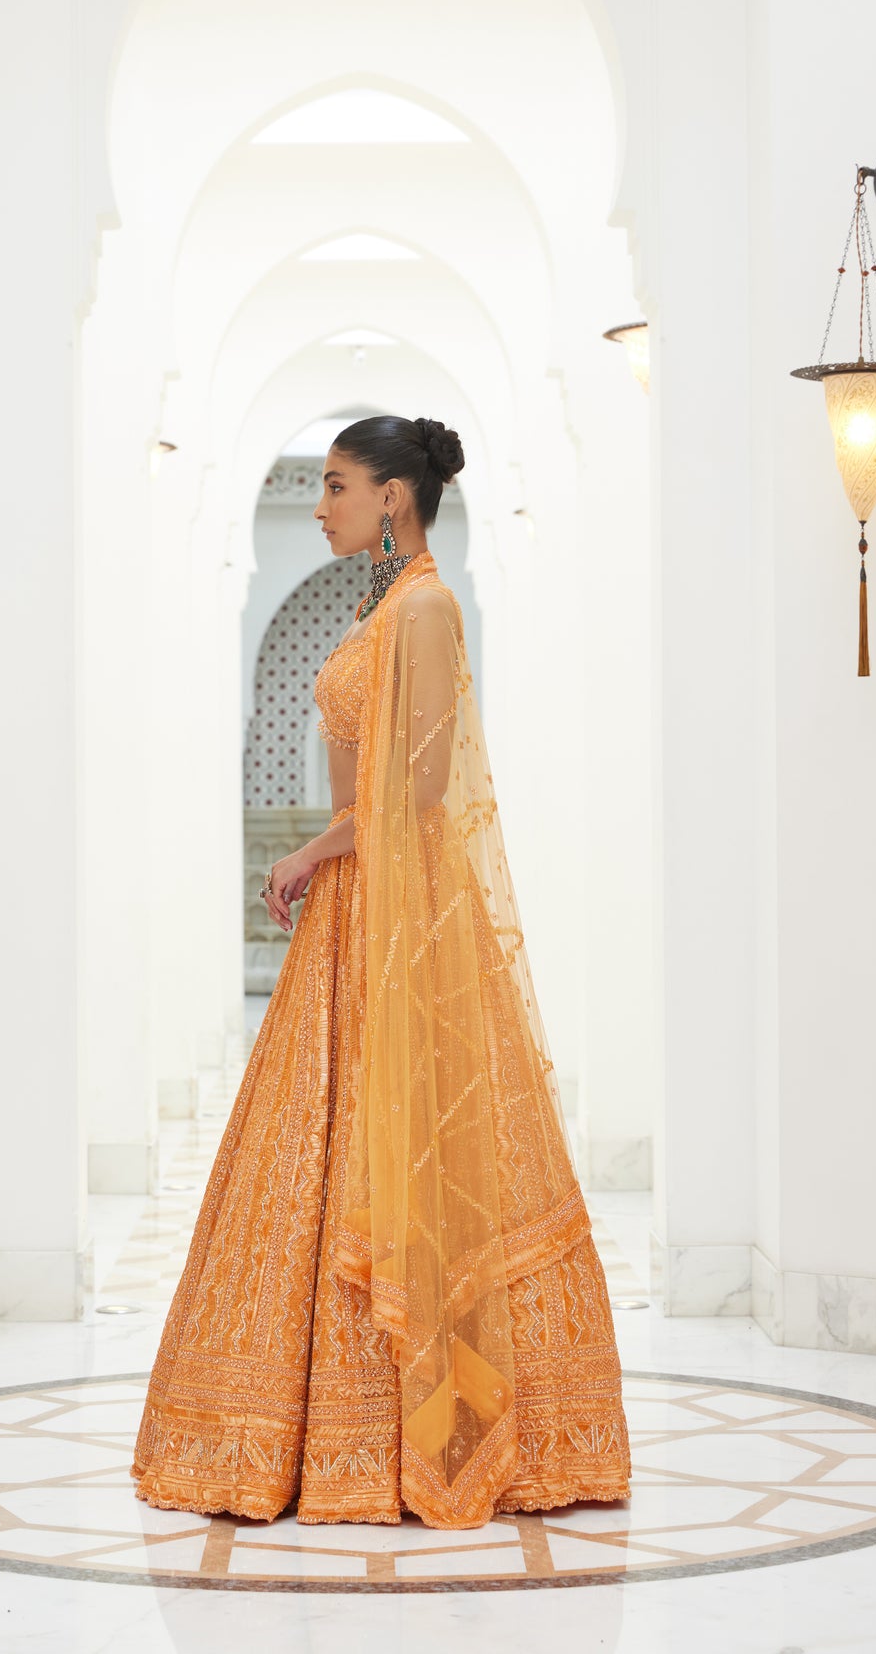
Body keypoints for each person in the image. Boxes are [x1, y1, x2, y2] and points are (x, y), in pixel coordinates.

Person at [131, 414, 632, 1530]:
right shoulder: (379, 606)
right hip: (356, 913)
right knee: (318, 1148)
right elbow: (371, 791)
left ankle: (449, 1429)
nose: (323, 505)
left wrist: (309, 851)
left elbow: (418, 800)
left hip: (403, 918)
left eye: (339, 485)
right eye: (321, 487)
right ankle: (301, 1429)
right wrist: (326, 855)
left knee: (414, 1145)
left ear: (396, 497)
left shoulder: (426, 608)